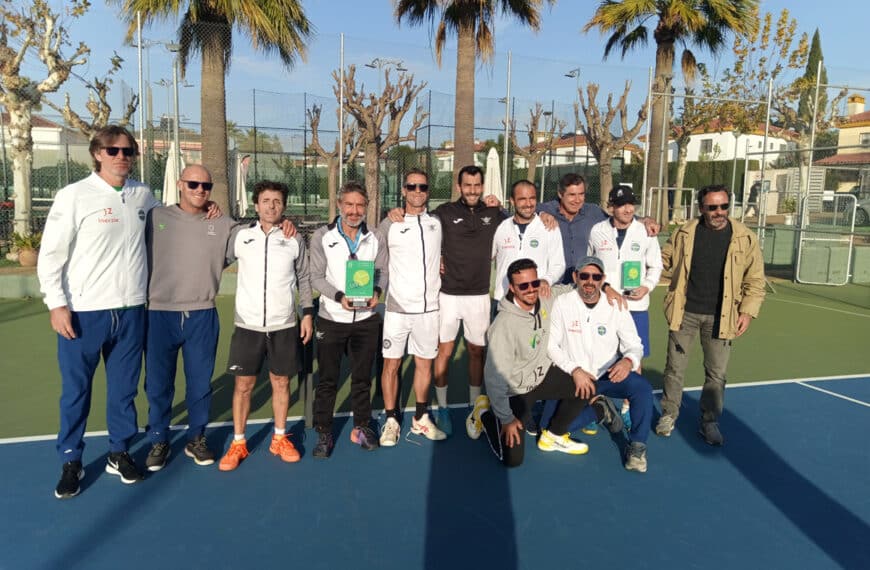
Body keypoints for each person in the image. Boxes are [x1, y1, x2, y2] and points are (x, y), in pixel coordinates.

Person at [142, 166, 293, 471]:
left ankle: (196, 438)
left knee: (200, 384)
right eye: (193, 184)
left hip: (202, 314)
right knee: (159, 384)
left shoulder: (226, 225)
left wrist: (286, 223)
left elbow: (262, 231)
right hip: (160, 314)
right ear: (179, 184)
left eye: (206, 185)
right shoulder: (155, 217)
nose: (200, 190)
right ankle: (159, 438)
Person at [38, 125, 160, 498]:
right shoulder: (74, 195)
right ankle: (72, 459)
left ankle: (118, 452)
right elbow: (51, 255)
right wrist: (56, 304)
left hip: (131, 310)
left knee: (124, 390)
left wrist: (206, 209)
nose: (121, 156)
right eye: (113, 150)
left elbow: (168, 229)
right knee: (77, 391)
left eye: (128, 150)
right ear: (96, 153)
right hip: (83, 312)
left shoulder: (143, 194)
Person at [467, 258, 620, 468]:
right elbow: (494, 378)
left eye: (535, 283)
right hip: (516, 390)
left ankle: (555, 436)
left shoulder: (546, 297)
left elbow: (577, 284)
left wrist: (608, 288)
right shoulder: (503, 326)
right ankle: (484, 414)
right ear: (512, 288)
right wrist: (506, 419)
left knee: (585, 383)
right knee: (512, 460)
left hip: (543, 376)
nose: (531, 289)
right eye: (523, 286)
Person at [655, 184, 765, 445]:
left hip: (722, 317)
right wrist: (644, 238)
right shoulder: (684, 233)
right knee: (674, 369)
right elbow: (661, 260)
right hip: (685, 313)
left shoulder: (745, 238)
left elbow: (756, 281)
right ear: (701, 208)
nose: (719, 212)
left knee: (716, 373)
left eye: (724, 206)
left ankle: (709, 421)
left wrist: (747, 313)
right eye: (712, 207)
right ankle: (669, 415)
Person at [218, 180, 314, 471]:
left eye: (277, 201)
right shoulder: (240, 236)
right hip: (248, 324)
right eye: (266, 200)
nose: (271, 206)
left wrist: (307, 313)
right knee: (244, 385)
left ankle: (280, 438)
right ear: (256, 204)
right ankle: (238, 442)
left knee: (281, 382)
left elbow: (304, 278)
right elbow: (214, 259)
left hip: (283, 324)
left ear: (284, 206)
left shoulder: (293, 239)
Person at [547, 256, 654, 472]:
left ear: (602, 279)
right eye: (584, 275)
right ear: (576, 277)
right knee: (549, 429)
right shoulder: (563, 303)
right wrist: (574, 370)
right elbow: (551, 346)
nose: (590, 281)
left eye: (596, 277)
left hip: (608, 375)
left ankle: (637, 446)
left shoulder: (616, 305)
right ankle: (600, 410)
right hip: (574, 379)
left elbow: (635, 344)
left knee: (642, 387)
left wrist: (627, 360)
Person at [309, 181, 388, 458]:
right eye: (349, 205)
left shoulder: (376, 237)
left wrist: (377, 291)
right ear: (340, 205)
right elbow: (316, 277)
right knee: (328, 380)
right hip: (331, 317)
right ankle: (324, 432)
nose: (354, 211)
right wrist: (339, 296)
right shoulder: (321, 236)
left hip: (366, 319)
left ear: (366, 207)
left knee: (362, 378)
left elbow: (382, 272)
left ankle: (362, 427)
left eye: (360, 205)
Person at [429, 165, 506, 436]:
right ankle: (442, 407)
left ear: (482, 186)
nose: (472, 190)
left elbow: (522, 219)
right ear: (459, 186)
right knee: (445, 351)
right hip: (449, 295)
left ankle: (475, 408)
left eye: (477, 185)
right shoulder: (444, 213)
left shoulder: (494, 213)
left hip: (479, 296)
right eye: (467, 185)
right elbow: (418, 227)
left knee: (476, 351)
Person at [377, 168, 445, 446]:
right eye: (412, 186)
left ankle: (420, 418)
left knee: (423, 365)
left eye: (423, 187)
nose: (418, 191)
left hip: (429, 310)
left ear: (428, 191)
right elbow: (374, 256)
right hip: (397, 309)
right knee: (391, 365)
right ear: (403, 190)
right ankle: (391, 420)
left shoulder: (437, 223)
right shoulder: (389, 223)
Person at [586, 185, 663, 429]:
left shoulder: (645, 232)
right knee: (599, 355)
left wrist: (647, 286)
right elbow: (592, 266)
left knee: (634, 358)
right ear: (611, 207)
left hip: (636, 306)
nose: (628, 209)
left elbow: (656, 266)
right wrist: (605, 286)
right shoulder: (597, 231)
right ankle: (597, 404)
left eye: (631, 204)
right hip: (605, 306)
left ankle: (630, 407)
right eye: (621, 205)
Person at [492, 180, 565, 301]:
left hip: (535, 299)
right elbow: (486, 256)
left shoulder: (549, 227)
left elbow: (558, 264)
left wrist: (546, 280)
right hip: (503, 299)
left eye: (532, 198)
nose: (528, 204)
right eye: (522, 199)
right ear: (512, 200)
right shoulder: (501, 227)